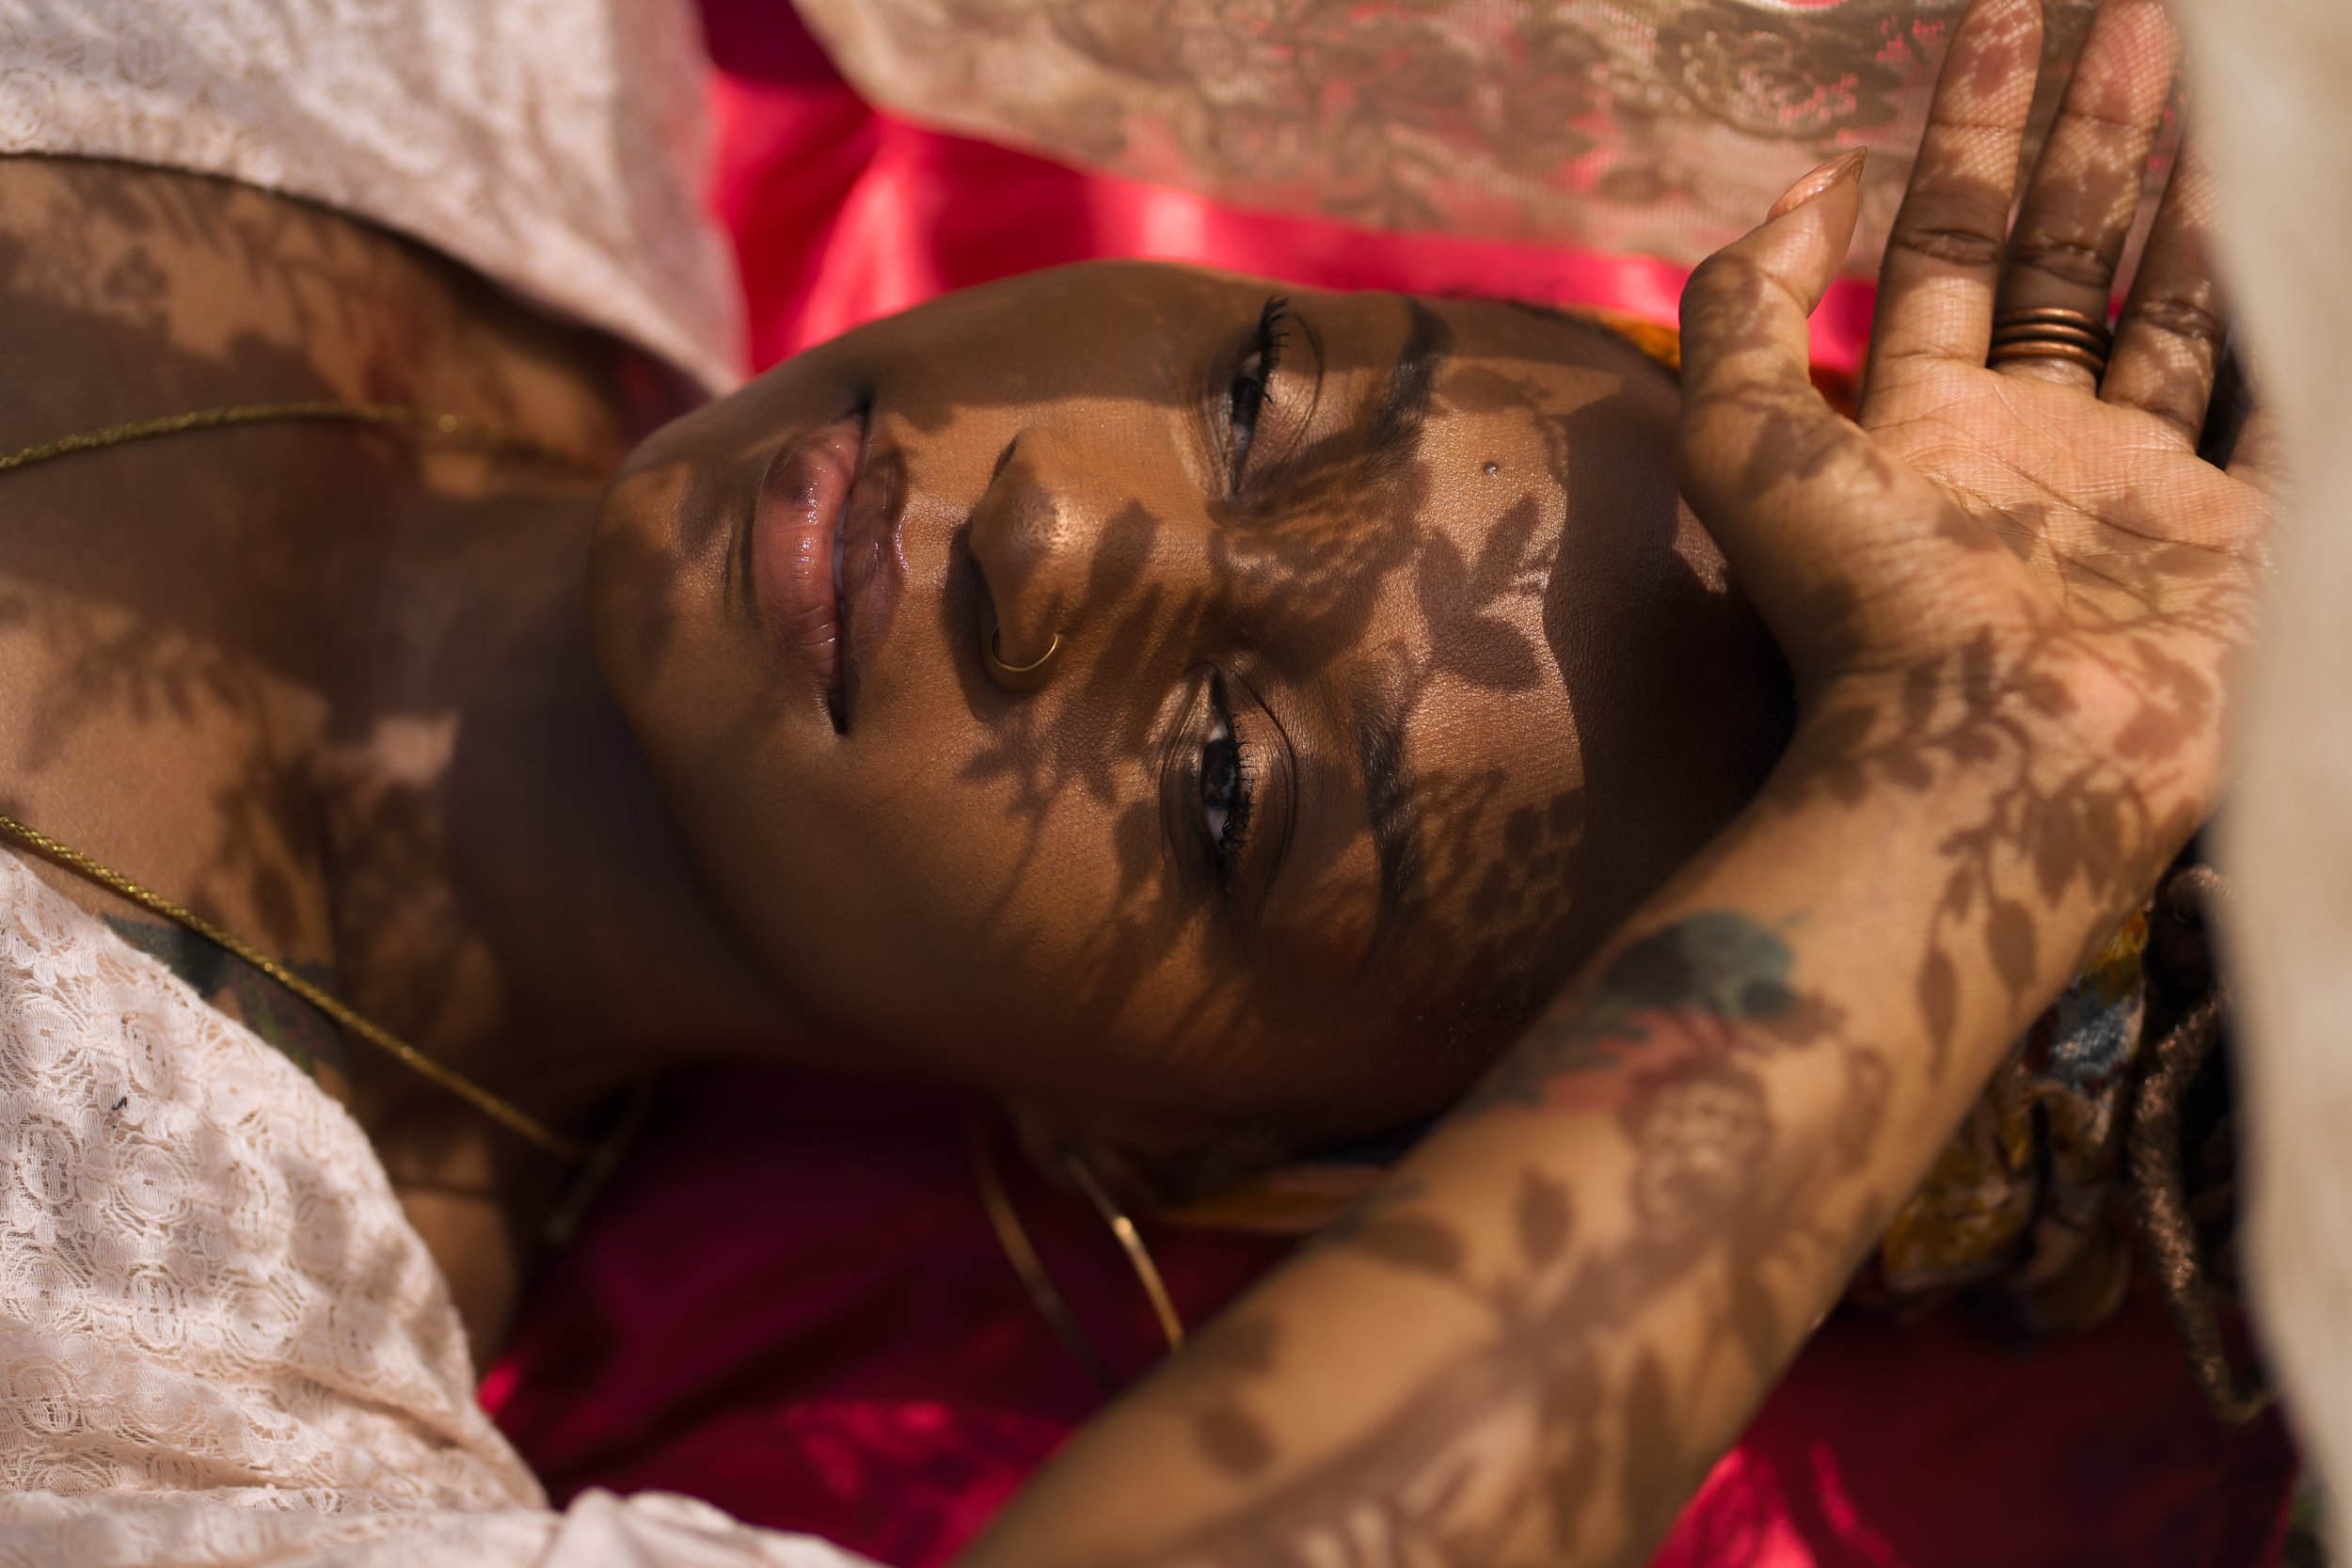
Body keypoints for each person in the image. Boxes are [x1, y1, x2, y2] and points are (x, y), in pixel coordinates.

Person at [0, 0, 2277, 1563]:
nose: (1055, 533)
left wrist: (2007, 769)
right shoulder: (459, 69)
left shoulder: (199, 1404)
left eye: (1220, 780)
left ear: (1200, 1154)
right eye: (1261, 400)